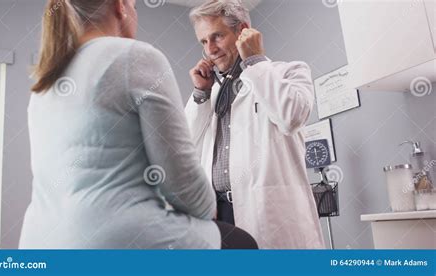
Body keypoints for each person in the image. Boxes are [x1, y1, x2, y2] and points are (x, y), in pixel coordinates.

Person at [19, 0, 257, 249]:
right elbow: (184, 187)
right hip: (108, 239)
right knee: (242, 244)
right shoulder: (134, 55)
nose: (210, 49)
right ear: (121, 6)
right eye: (135, 5)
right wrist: (210, 206)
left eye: (216, 37)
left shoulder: (46, 80)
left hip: (39, 240)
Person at [185, 0, 325, 249]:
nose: (211, 50)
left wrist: (255, 61)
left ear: (242, 31)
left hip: (269, 214)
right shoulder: (213, 92)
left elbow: (290, 116)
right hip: (219, 216)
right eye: (203, 42)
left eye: (217, 37)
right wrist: (200, 94)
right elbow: (186, 145)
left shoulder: (289, 72)